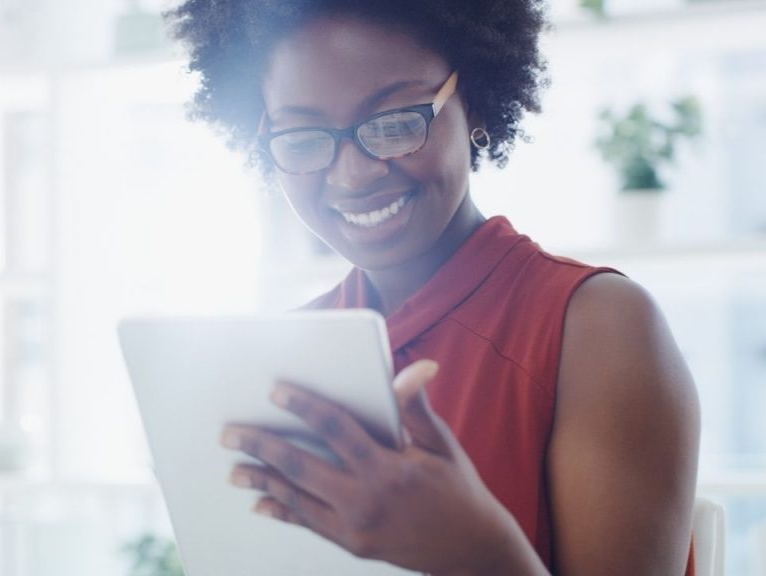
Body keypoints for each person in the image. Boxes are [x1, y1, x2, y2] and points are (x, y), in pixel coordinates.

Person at [166, 1, 701, 574]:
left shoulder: (597, 328)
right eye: (301, 138)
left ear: (471, 101)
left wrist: (477, 551)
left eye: (395, 124)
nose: (353, 174)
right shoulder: (289, 352)